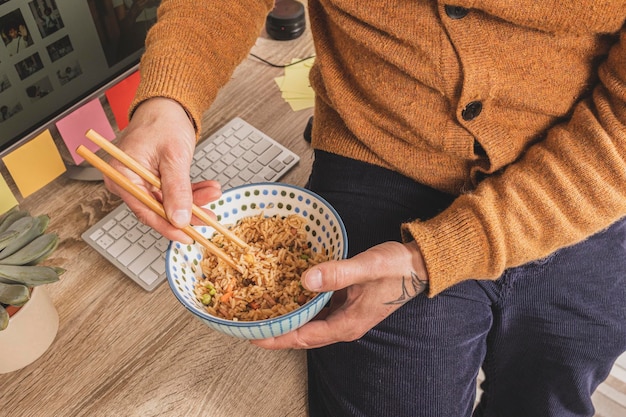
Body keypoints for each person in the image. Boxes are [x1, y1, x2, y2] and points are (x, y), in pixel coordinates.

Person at [105, 1, 626, 416]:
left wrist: (439, 254)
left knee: (556, 386)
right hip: (378, 157)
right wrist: (167, 99)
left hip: (587, 177)